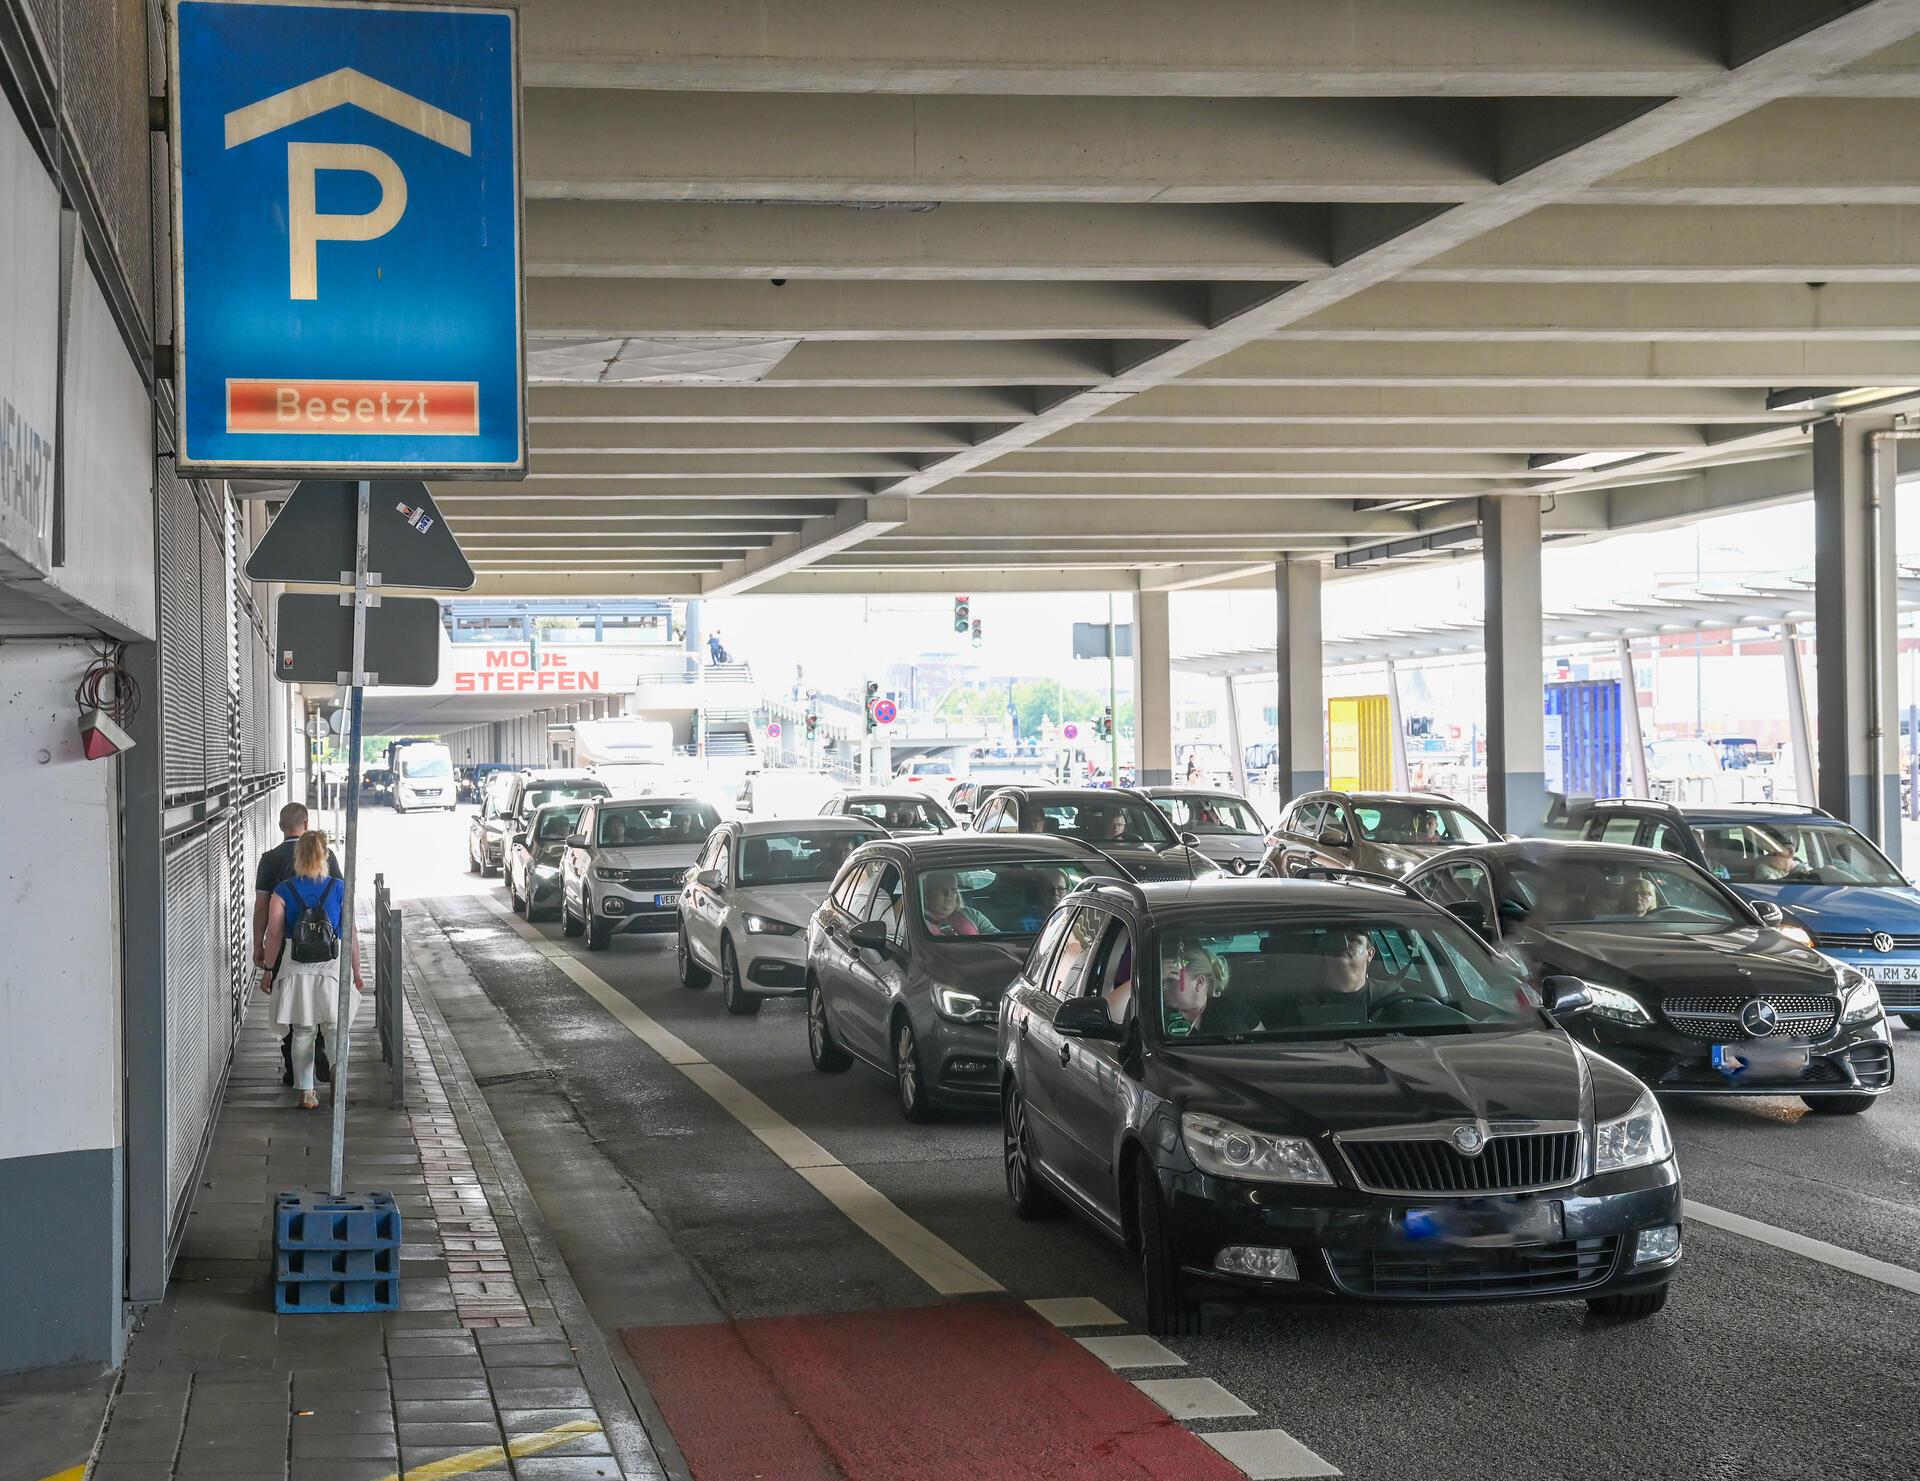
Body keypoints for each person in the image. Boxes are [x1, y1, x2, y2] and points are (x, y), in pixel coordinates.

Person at [257, 832, 361, 1110]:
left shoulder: (283, 890)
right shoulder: (339, 888)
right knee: (336, 1027)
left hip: (296, 966)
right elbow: (350, 934)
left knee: (303, 1030)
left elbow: (275, 935)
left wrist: (268, 969)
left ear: (297, 857)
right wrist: (357, 971)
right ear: (325, 855)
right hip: (332, 966)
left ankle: (306, 1092)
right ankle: (339, 1074)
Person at [254, 803, 341, 1087]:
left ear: (281, 826)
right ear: (306, 823)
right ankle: (320, 1054)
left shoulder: (269, 859)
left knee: (292, 1006)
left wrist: (260, 947)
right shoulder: (326, 855)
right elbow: (339, 905)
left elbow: (261, 907)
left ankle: (296, 1070)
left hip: (286, 948)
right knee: (320, 1005)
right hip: (325, 950)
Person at [923, 871, 991, 936]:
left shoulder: (972, 914)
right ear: (928, 894)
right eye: (941, 889)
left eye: (953, 889)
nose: (948, 894)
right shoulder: (918, 921)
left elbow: (995, 938)